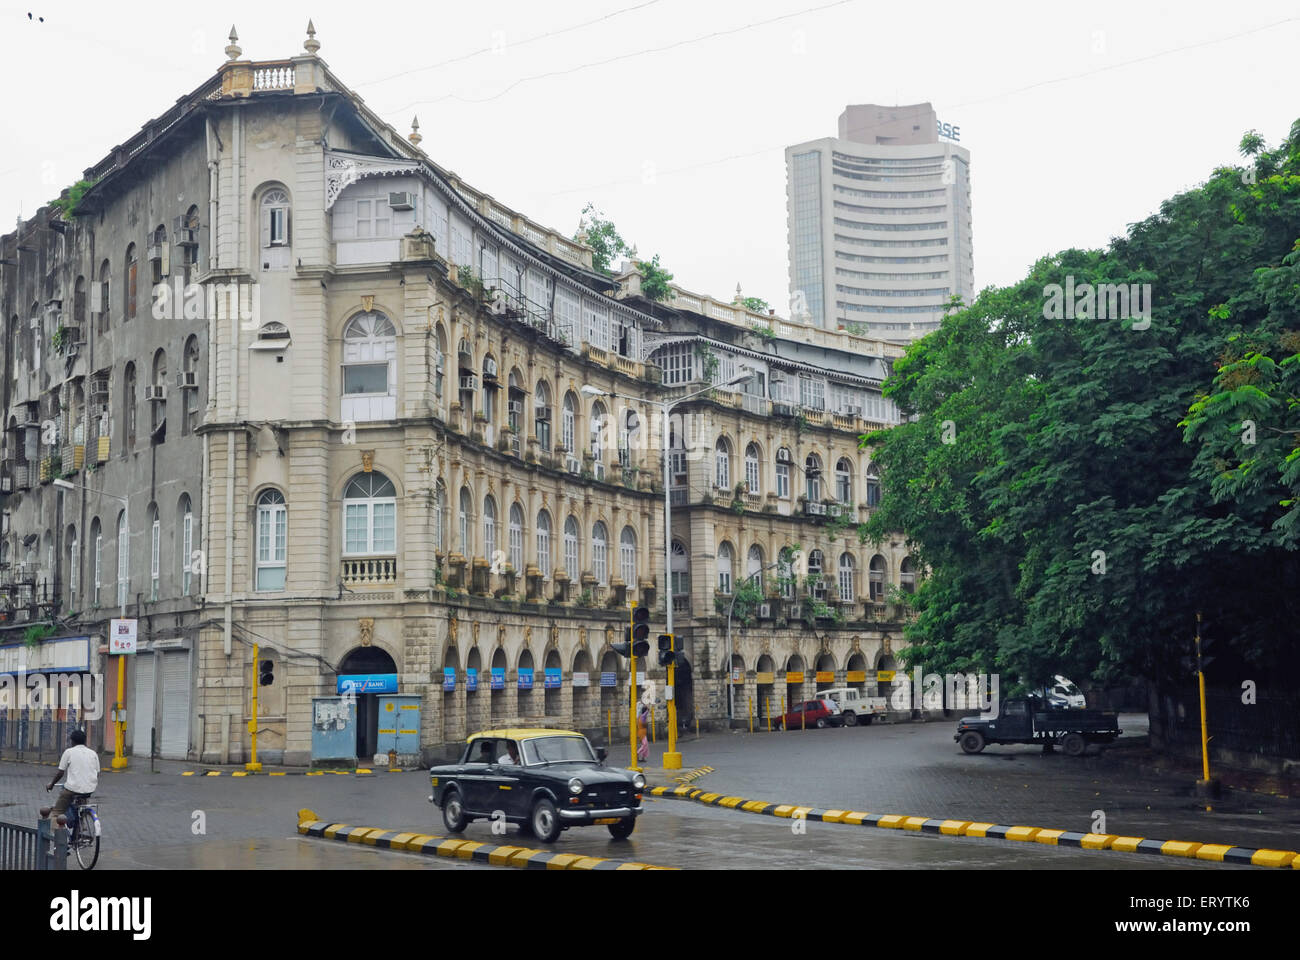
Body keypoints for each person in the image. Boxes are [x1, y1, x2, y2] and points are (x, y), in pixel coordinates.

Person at [41, 729, 99, 831]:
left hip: (73, 789)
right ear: (85, 741)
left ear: (72, 741)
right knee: (80, 802)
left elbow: (60, 773)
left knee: (56, 813)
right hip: (90, 789)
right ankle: (82, 821)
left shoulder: (69, 752)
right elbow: (97, 772)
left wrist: (52, 784)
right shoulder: (93, 753)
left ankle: (59, 837)